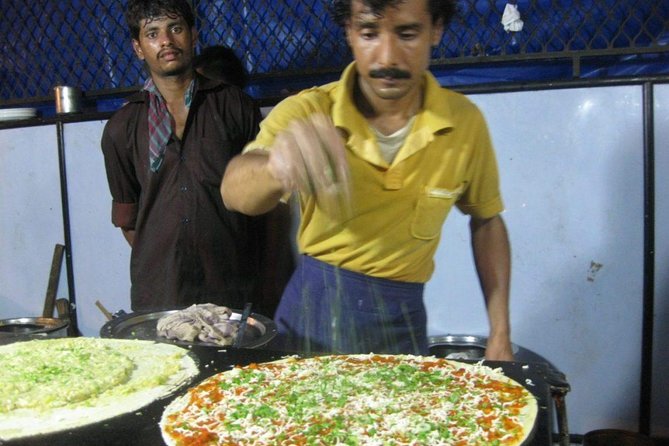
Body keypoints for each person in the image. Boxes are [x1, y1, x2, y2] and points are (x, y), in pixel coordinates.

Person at [221, 0, 513, 360]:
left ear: (436, 29)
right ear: (349, 32)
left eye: (407, 33)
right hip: (313, 319)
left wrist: (500, 333)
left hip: (402, 327)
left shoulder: (464, 124)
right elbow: (234, 192)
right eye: (369, 33)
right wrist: (275, 168)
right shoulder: (310, 110)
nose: (387, 57)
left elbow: (486, 220)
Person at [101, 0, 265, 313]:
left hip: (231, 285)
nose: (166, 41)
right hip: (161, 292)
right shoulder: (121, 128)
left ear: (193, 35)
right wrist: (168, 255)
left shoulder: (236, 107)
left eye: (175, 29)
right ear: (138, 48)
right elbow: (129, 219)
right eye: (152, 34)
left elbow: (263, 204)